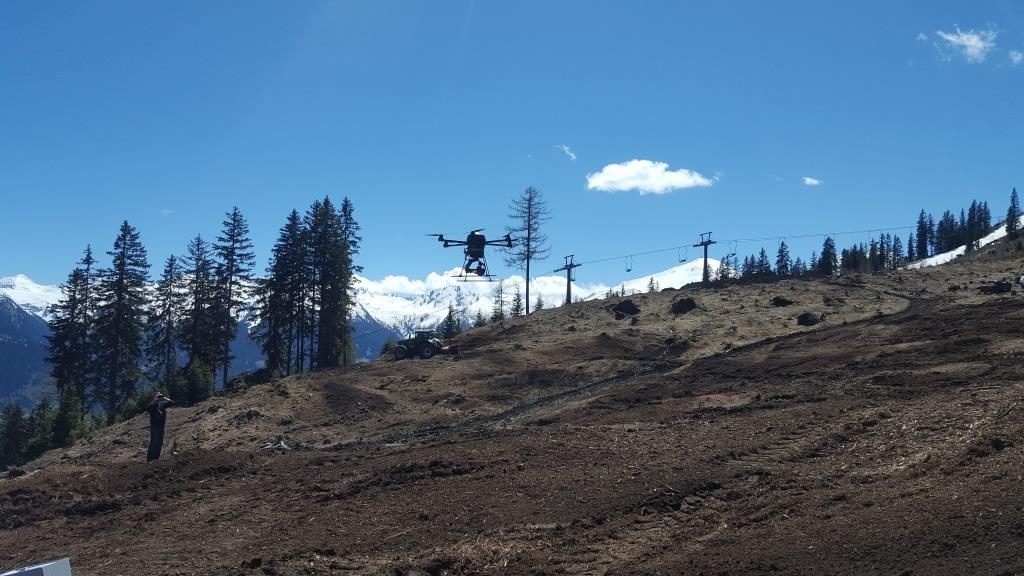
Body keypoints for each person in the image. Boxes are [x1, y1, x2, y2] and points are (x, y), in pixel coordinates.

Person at [147, 392, 175, 461]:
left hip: (161, 426)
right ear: (154, 397)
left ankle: (156, 458)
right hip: (154, 426)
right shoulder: (152, 405)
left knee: (159, 442)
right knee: (154, 442)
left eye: (160, 396)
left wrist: (165, 398)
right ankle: (150, 459)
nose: (159, 398)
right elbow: (148, 409)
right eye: (158, 397)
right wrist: (155, 400)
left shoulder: (162, 404)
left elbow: (172, 403)